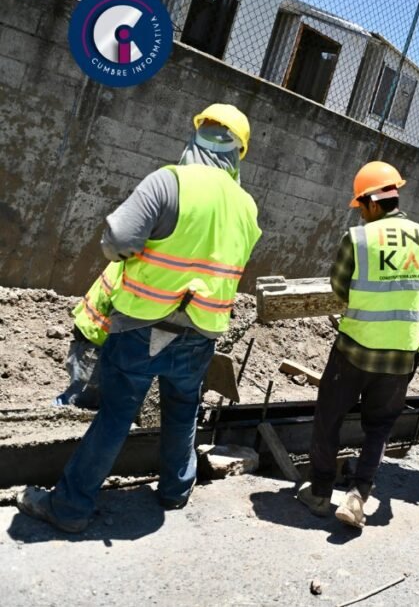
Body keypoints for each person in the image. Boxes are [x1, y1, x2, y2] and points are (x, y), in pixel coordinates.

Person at [17, 104, 262, 533]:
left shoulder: (169, 181)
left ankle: (70, 508)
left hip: (143, 323)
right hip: (201, 330)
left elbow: (117, 240)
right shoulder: (246, 206)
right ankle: (175, 490)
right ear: (239, 153)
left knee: (116, 413)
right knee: (183, 409)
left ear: (196, 136)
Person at [296, 161, 419, 528]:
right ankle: (358, 496)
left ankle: (319, 493)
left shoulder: (357, 239)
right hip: (400, 357)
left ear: (374, 203)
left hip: (354, 350)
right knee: (378, 428)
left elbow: (339, 289)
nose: (360, 213)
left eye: (361, 206)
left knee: (328, 419)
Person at [53, 261, 124, 410]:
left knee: (88, 395)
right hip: (97, 334)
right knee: (82, 398)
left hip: (97, 331)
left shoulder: (136, 248)